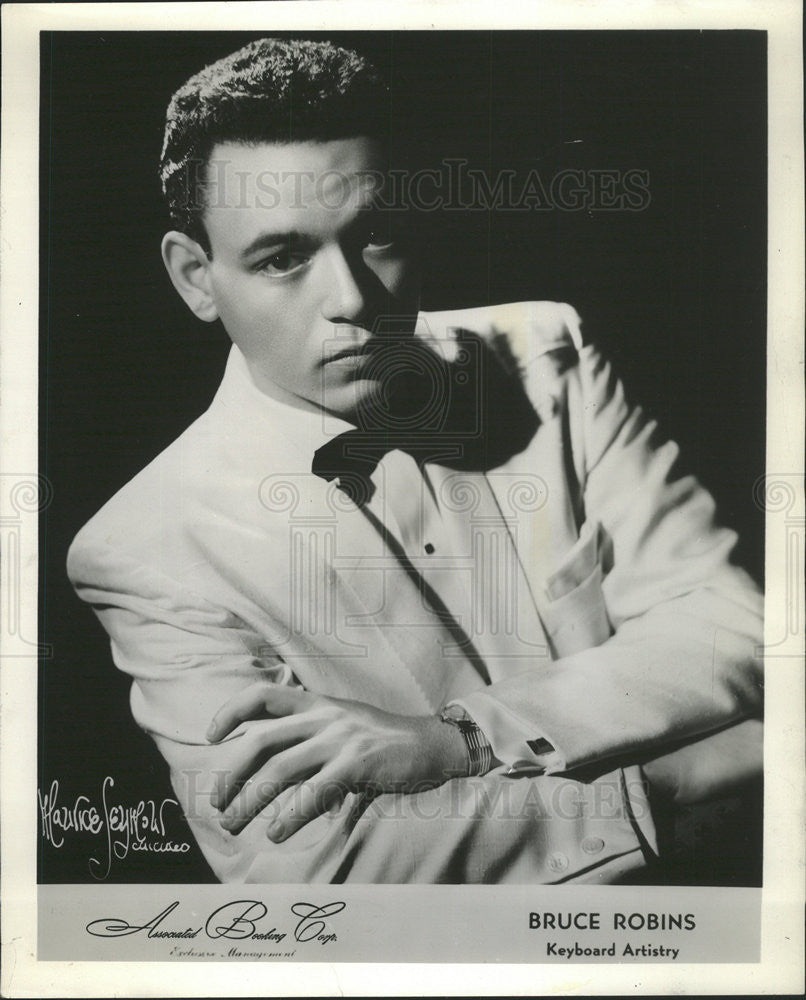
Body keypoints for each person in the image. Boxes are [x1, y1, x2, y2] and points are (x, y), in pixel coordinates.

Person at [67, 37, 763, 884]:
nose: (354, 299)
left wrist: (461, 739)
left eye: (379, 234)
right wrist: (699, 775)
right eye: (283, 258)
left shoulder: (549, 352)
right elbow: (332, 870)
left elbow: (732, 630)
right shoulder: (145, 550)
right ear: (195, 279)